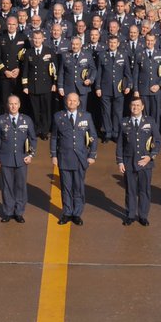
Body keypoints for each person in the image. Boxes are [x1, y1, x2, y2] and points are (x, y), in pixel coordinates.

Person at [51, 92, 98, 225]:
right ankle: (67, 212)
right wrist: (54, 155)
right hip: (64, 157)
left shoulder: (86, 116)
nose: (72, 103)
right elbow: (54, 137)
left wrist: (92, 155)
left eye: (74, 101)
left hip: (80, 158)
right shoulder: (58, 116)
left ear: (78, 102)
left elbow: (93, 136)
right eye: (69, 100)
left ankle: (77, 213)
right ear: (66, 102)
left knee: (78, 187)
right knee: (66, 187)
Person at [116, 96, 160, 226]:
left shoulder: (150, 122)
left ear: (142, 107)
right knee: (130, 190)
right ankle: (130, 215)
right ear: (130, 107)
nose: (135, 107)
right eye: (133, 105)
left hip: (145, 162)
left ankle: (143, 215)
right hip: (129, 162)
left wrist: (150, 156)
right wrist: (120, 161)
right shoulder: (124, 122)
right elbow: (119, 144)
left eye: (138, 105)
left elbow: (157, 141)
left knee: (144, 190)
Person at [0, 95, 36, 223]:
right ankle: (8, 212)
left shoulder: (26, 120)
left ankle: (19, 212)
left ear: (19, 105)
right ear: (7, 105)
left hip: (22, 159)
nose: (13, 106)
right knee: (7, 186)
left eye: (15, 103)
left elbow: (33, 138)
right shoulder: (0, 120)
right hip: (5, 159)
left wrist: (31, 155)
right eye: (11, 104)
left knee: (21, 186)